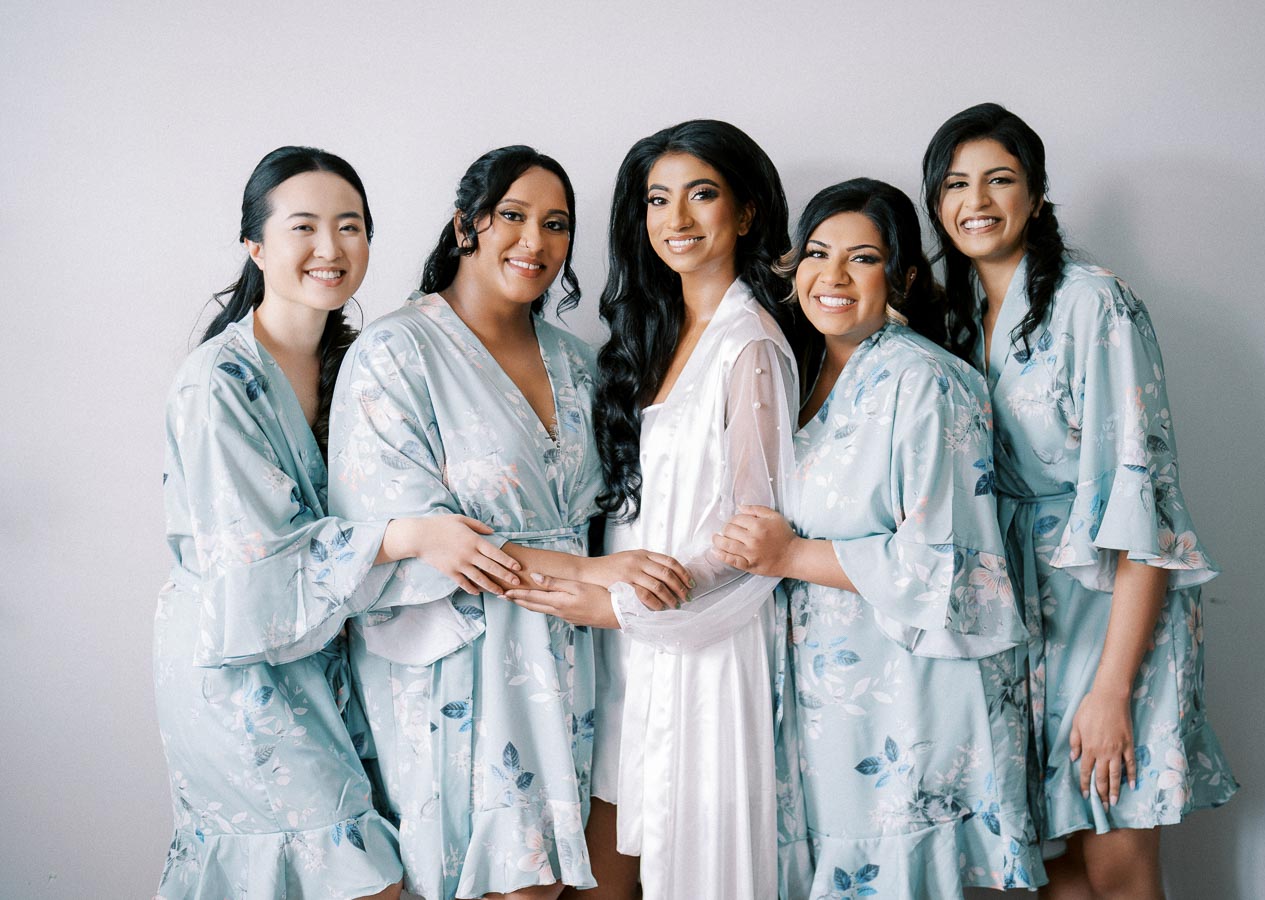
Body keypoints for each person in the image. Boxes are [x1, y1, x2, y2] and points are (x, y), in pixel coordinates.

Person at [327, 145, 689, 900]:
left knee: (563, 882)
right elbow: (411, 539)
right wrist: (588, 573)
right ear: (467, 225)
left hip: (571, 657)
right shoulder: (395, 352)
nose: (536, 242)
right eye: (513, 217)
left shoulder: (580, 362)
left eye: (556, 225)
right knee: (493, 880)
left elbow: (607, 517)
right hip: (460, 662)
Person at [155, 146, 512, 900]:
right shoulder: (217, 384)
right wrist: (408, 535)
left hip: (327, 662)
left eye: (350, 227)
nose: (330, 249)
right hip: (237, 670)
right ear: (255, 245)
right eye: (304, 227)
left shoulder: (359, 363)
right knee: (355, 877)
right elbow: (252, 559)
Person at [922, 103, 1237, 898]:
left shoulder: (1094, 303)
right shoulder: (953, 317)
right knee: (1047, 865)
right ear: (934, 201)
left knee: (1116, 861)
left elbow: (1145, 505)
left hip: (1110, 610)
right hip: (1020, 618)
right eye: (956, 184)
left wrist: (1111, 688)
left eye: (1000, 179)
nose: (978, 201)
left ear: (1036, 193)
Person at [713, 177, 1046, 898]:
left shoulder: (929, 381)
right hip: (824, 700)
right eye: (818, 254)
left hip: (911, 699)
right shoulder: (794, 376)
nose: (832, 277)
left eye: (861, 258)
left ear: (903, 276)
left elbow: (952, 566)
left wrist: (790, 555)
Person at [505, 120, 801, 900]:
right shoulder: (650, 337)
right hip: (630, 658)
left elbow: (755, 548)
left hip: (704, 651)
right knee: (606, 878)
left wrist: (616, 606)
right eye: (656, 199)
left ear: (744, 213)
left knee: (693, 875)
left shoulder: (751, 346)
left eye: (701, 195)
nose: (676, 219)